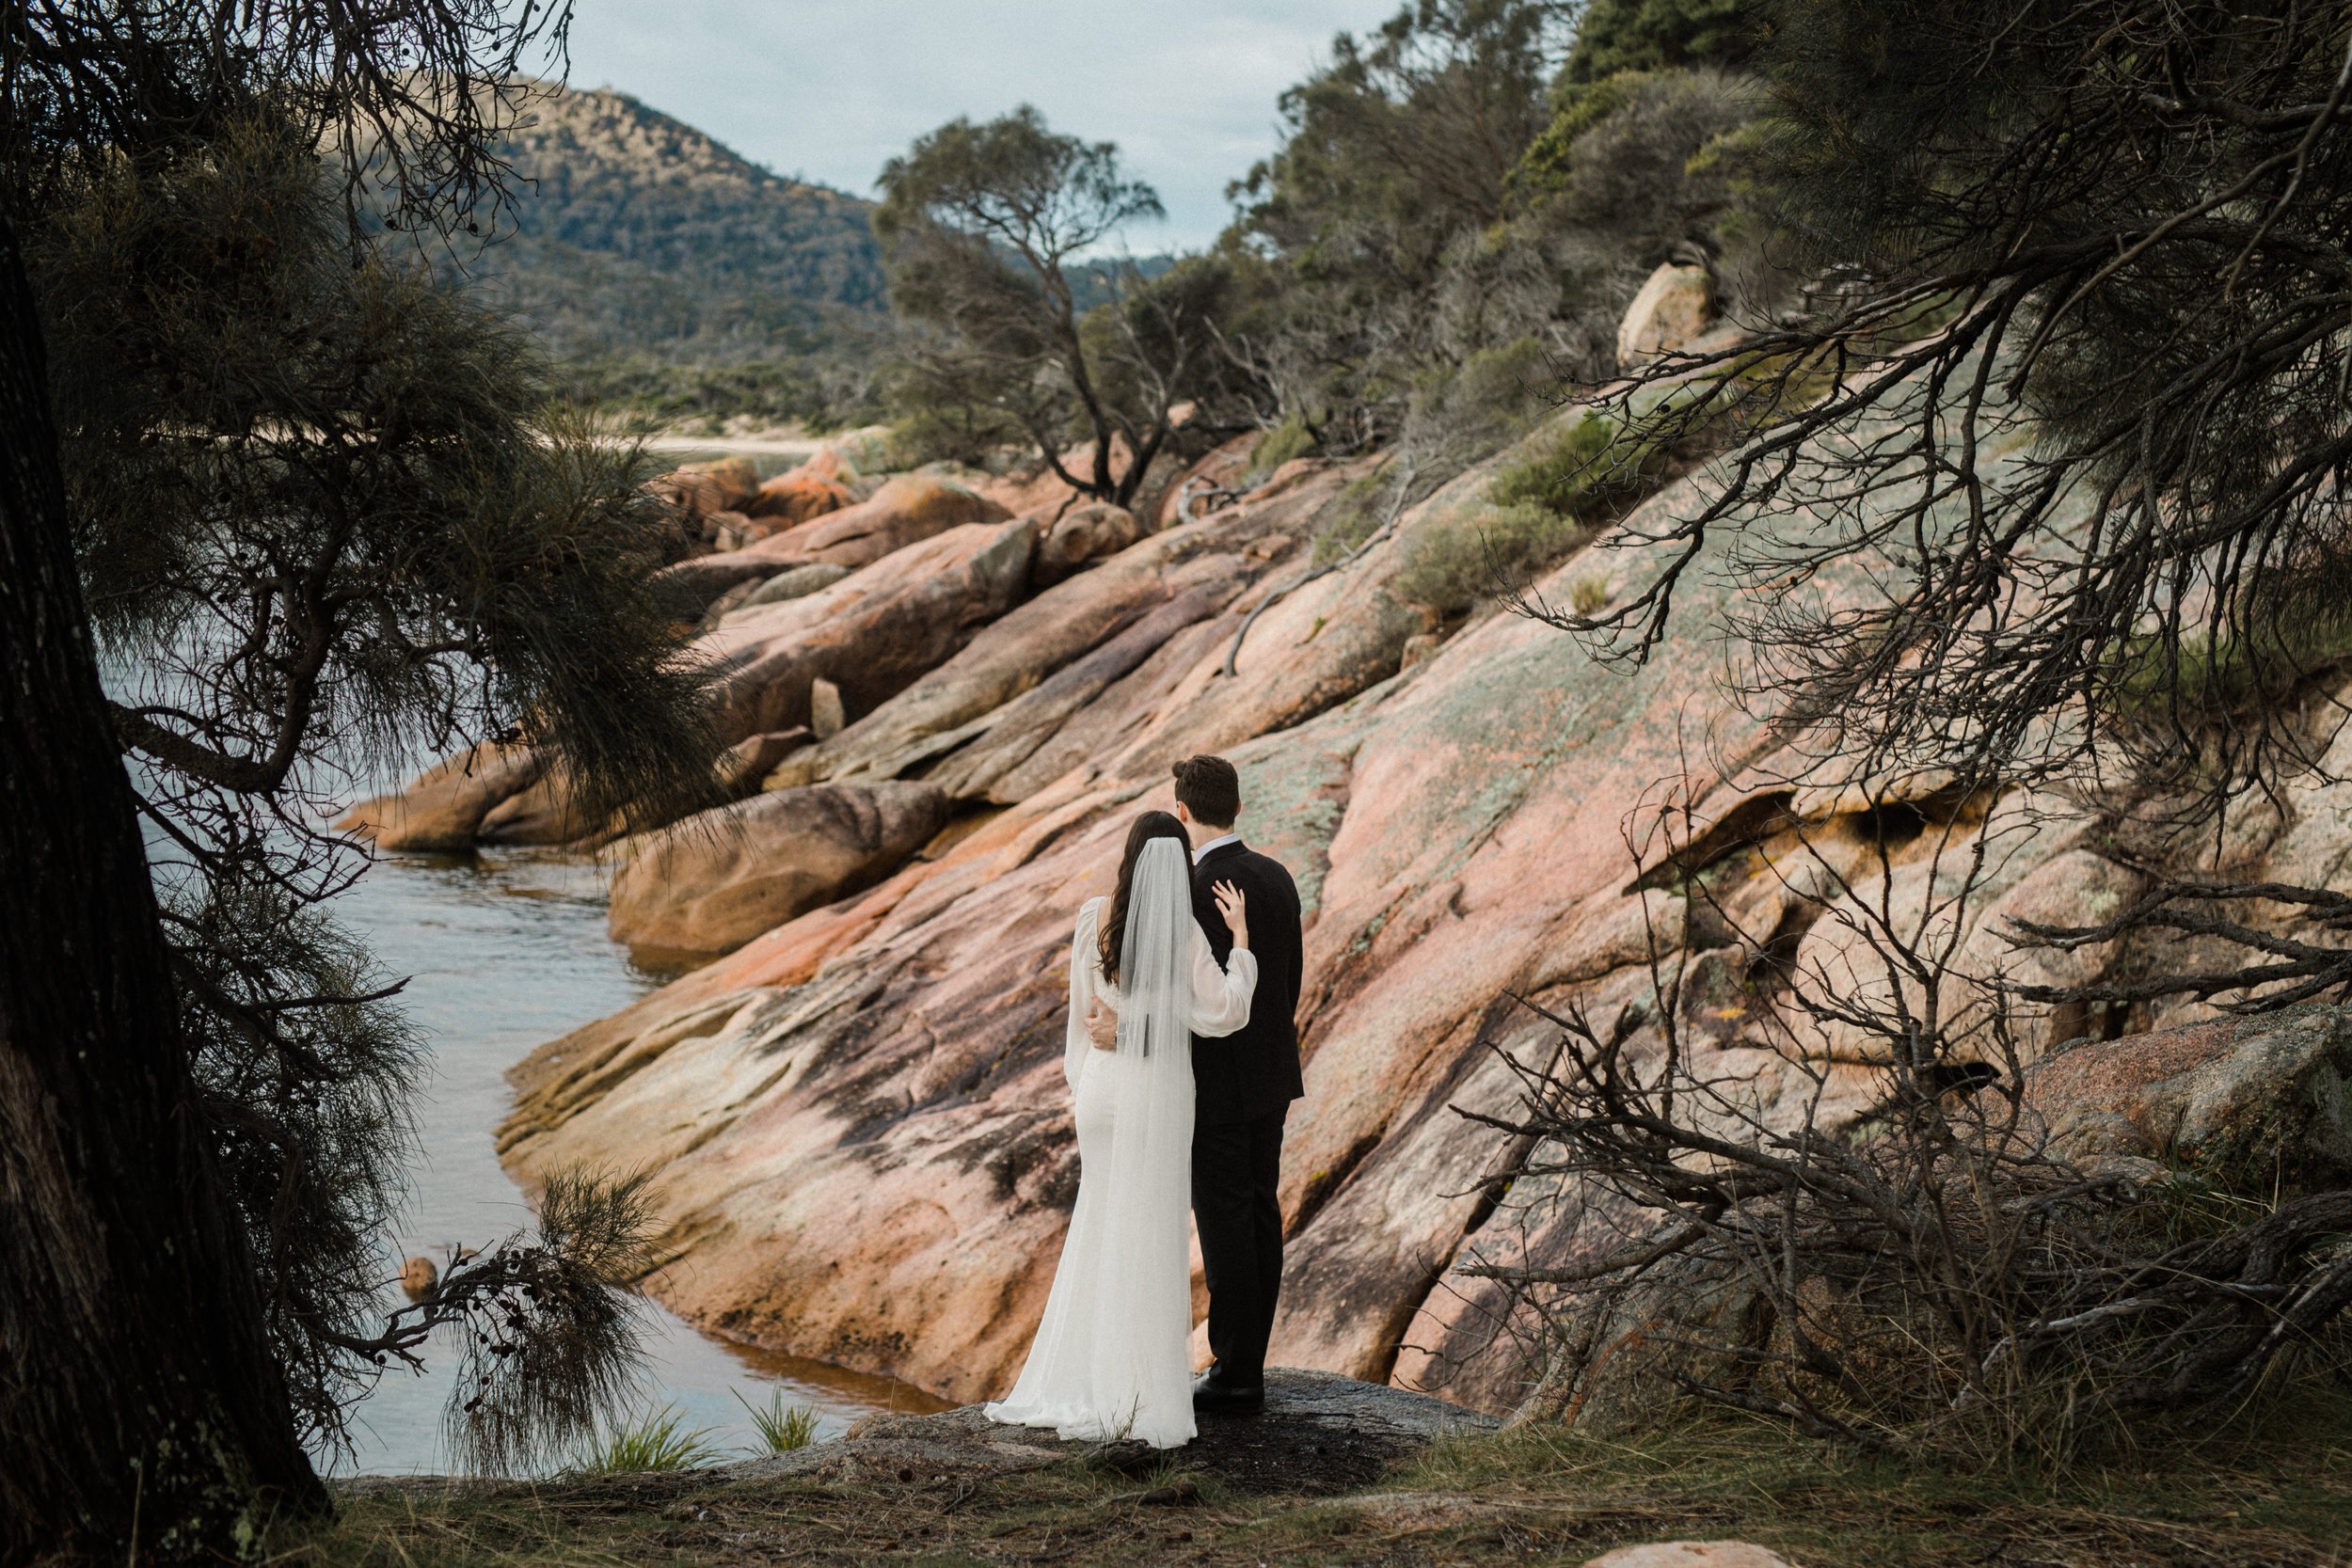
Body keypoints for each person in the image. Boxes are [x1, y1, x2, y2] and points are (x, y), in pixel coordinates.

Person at [982, 811, 1256, 1448]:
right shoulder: (1183, 933)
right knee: (1148, 1231)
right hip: (1154, 1091)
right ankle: (1131, 1388)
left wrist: (1090, 1078)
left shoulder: (1092, 918)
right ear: (1182, 864)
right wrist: (1240, 941)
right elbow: (1224, 1011)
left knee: (1099, 1222)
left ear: (1128, 855)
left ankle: (1080, 1378)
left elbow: (1083, 1023)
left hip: (1102, 1090)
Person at [1089, 754, 1304, 1416]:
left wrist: (1128, 1036)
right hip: (1272, 1079)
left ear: (1183, 811)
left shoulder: (1191, 888)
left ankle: (1236, 1372)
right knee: (1261, 1216)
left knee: (1225, 1228)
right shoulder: (1278, 878)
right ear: (1237, 808)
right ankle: (1248, 1363)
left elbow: (1182, 1003)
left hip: (1213, 1091)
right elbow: (1285, 981)